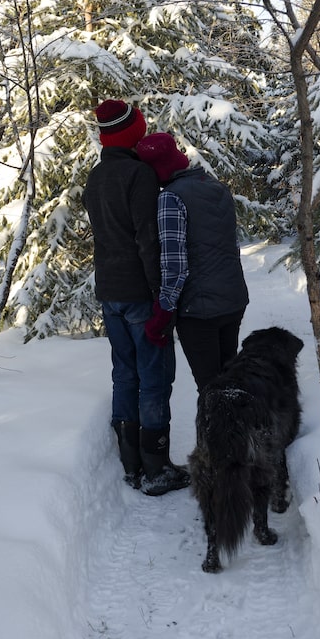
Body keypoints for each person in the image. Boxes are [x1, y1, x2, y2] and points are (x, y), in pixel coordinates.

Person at [81, 99, 190, 496]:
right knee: (155, 378)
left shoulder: (95, 178)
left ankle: (131, 464)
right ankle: (156, 468)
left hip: (109, 292)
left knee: (125, 373)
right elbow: (149, 241)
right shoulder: (139, 176)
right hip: (139, 296)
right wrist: (161, 297)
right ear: (133, 132)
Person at [135, 132, 249, 393]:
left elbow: (175, 265)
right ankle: (242, 433)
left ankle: (216, 435)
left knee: (211, 390)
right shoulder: (216, 186)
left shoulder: (171, 198)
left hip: (199, 312)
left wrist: (163, 311)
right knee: (229, 382)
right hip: (233, 300)